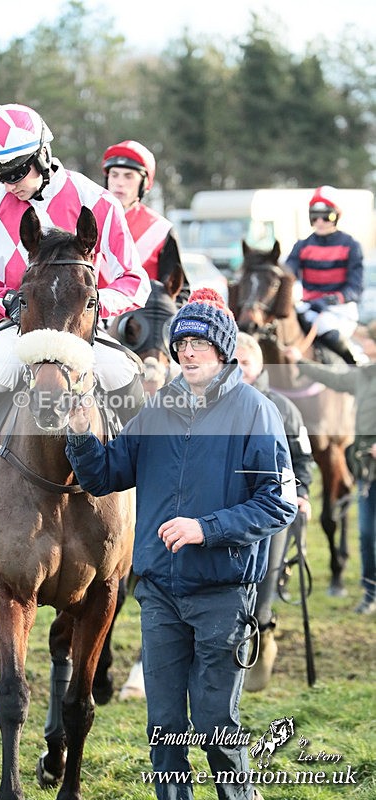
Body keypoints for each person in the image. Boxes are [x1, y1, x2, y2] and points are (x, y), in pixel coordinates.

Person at [66, 288, 297, 800]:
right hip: (160, 595)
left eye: (199, 343)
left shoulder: (255, 412)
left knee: (216, 727)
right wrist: (82, 434)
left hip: (222, 594)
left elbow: (278, 503)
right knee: (164, 731)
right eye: (182, 343)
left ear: (223, 350)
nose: (187, 352)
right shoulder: (159, 407)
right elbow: (105, 474)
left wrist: (205, 528)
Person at [0, 103, 151, 502]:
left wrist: (93, 305)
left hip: (81, 333)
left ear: (43, 155)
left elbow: (135, 281)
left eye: (16, 171)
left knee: (122, 374)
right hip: (21, 331)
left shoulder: (97, 201)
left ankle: (157, 466)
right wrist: (7, 304)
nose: (7, 182)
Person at [235, 333, 314, 690]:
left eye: (245, 363)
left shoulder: (282, 408)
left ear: (260, 364)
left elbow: (302, 458)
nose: (238, 370)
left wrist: (301, 493)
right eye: (231, 363)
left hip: (273, 510)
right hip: (229, 511)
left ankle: (263, 634)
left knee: (266, 580)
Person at [285, 320, 376, 615]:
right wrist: (301, 363)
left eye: (367, 343)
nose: (363, 346)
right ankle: (370, 592)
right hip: (368, 471)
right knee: (365, 536)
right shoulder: (361, 377)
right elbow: (332, 378)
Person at [102, 140, 189, 303]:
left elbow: (179, 293)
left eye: (128, 176)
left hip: (141, 323)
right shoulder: (83, 220)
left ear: (144, 184)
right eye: (114, 175)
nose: (119, 182)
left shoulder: (161, 230)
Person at [284, 185, 364, 365]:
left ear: (337, 216)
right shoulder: (302, 246)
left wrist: (329, 301)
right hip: (309, 307)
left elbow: (355, 289)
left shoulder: (351, 246)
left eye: (326, 215)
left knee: (326, 328)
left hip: (340, 311)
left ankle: (356, 366)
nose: (320, 221)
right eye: (314, 216)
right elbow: (288, 274)